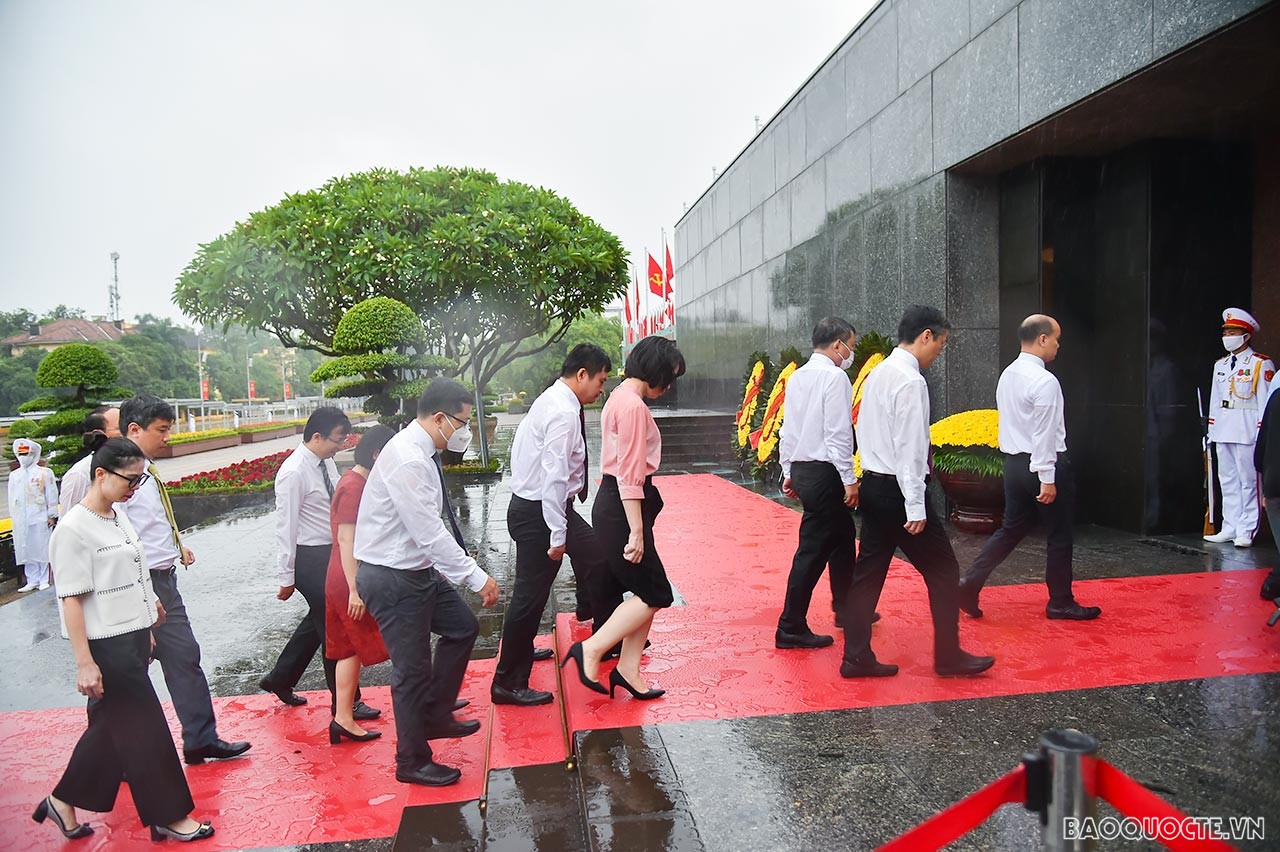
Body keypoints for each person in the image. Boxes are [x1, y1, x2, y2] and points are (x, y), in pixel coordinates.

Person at [37, 438, 214, 843]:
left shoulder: (117, 516)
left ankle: (62, 800)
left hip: (134, 635)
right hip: (106, 646)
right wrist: (84, 662)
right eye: (130, 480)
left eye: (141, 480)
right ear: (100, 474)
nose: (135, 488)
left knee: (108, 730)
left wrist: (149, 612)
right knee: (146, 728)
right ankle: (170, 815)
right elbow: (71, 601)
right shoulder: (73, 530)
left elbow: (135, 569)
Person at [355, 380, 500, 787]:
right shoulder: (410, 460)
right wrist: (475, 577)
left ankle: (435, 714)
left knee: (462, 628)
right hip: (393, 577)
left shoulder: (421, 451)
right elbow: (429, 532)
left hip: (416, 571)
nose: (465, 431)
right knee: (411, 671)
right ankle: (411, 760)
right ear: (439, 418)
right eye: (462, 422)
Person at [840, 306, 995, 679]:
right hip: (899, 490)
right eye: (940, 345)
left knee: (869, 574)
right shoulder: (910, 381)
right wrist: (915, 505)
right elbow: (909, 447)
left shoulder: (878, 374)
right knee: (944, 571)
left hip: (876, 484)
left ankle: (855, 656)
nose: (938, 353)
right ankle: (948, 657)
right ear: (926, 335)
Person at [119, 394, 250, 765]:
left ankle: (200, 738)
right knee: (123, 672)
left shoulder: (145, 469)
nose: (167, 438)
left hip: (164, 582)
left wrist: (175, 546)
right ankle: (113, 755)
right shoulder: (108, 472)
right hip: (133, 585)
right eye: (161, 431)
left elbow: (148, 524)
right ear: (134, 429)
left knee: (184, 657)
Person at [564, 336, 686, 701]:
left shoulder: (620, 397)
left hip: (620, 503)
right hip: (623, 506)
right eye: (670, 376)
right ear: (657, 371)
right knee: (656, 592)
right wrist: (636, 530)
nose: (669, 386)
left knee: (650, 589)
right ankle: (593, 648)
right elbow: (631, 475)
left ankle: (628, 670)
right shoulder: (632, 406)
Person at [493, 344, 614, 706]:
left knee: (595, 558)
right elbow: (554, 477)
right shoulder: (561, 411)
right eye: (600, 380)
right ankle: (508, 682)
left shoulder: (553, 400)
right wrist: (557, 534)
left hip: (541, 507)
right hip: (540, 513)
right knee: (529, 597)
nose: (601, 389)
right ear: (582, 374)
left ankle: (606, 639)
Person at [957, 316, 1101, 621]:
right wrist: (1047, 477)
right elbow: (1045, 433)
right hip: (1041, 466)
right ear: (1043, 339)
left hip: (1014, 465)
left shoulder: (1008, 374)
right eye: (1057, 339)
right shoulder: (1045, 381)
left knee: (1011, 529)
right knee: (1059, 535)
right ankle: (1060, 601)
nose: (1059, 346)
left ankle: (970, 582)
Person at [260, 407, 379, 723]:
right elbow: (285, 528)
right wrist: (287, 576)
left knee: (319, 622)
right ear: (316, 436)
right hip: (309, 559)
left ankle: (281, 677)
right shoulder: (293, 472)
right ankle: (347, 704)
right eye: (337, 440)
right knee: (336, 629)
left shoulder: (323, 461)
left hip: (331, 551)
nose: (340, 446)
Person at [776, 317, 860, 650]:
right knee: (812, 551)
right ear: (838, 344)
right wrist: (849, 479)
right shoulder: (835, 376)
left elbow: (789, 429)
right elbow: (838, 433)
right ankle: (790, 625)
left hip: (804, 468)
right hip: (825, 473)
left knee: (842, 538)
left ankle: (846, 607)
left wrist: (788, 470)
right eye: (851, 345)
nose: (850, 352)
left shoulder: (798, 377)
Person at [325, 424, 396, 744]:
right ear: (377, 454)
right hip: (347, 575)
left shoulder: (353, 480)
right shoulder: (354, 486)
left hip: (341, 572)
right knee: (352, 648)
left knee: (347, 649)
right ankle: (343, 717)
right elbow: (345, 537)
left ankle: (343, 717)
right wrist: (355, 589)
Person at [1204, 308, 1274, 547]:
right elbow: (1215, 399)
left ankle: (1247, 529)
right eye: (1226, 332)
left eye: (1232, 332)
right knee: (1227, 480)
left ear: (1246, 336)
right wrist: (1211, 431)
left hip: (1246, 430)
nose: (1227, 337)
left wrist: (1261, 433)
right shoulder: (1220, 365)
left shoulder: (1260, 364)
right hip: (1224, 428)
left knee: (1249, 481)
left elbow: (1265, 403)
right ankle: (1229, 525)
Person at [54, 407, 121, 639]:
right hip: (94, 581)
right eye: (119, 428)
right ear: (99, 434)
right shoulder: (80, 475)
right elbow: (66, 532)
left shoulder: (126, 468)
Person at [9, 438, 59, 593]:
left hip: (40, 516)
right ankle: (32, 579)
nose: (24, 457)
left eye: (27, 454)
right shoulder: (15, 475)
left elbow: (51, 494)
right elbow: (11, 498)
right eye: (21, 454)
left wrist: (52, 515)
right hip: (22, 519)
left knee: (42, 548)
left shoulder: (44, 473)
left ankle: (44, 579)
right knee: (27, 549)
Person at [1254, 389, 1280, 602]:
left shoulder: (1276, 397)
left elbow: (1261, 445)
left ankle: (1273, 584)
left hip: (1274, 484)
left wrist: (1266, 483)